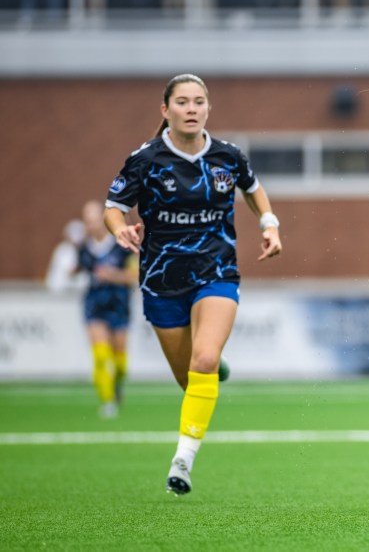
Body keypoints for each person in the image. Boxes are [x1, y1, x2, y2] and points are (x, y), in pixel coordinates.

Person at [103, 73, 283, 496]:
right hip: (161, 282)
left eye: (198, 102)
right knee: (192, 380)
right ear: (165, 111)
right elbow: (113, 206)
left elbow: (254, 190)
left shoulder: (227, 155)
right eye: (182, 102)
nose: (191, 109)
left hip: (216, 272)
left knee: (202, 359)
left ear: (207, 108)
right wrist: (119, 229)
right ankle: (213, 367)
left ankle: (182, 461)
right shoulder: (145, 159)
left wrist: (269, 224)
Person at [77, 200, 136, 418]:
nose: (90, 224)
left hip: (119, 306)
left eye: (93, 219)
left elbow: (135, 276)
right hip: (94, 306)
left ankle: (117, 385)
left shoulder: (121, 245)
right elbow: (80, 270)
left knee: (120, 363)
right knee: (101, 356)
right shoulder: (83, 248)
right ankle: (108, 401)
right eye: (86, 220)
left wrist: (113, 276)